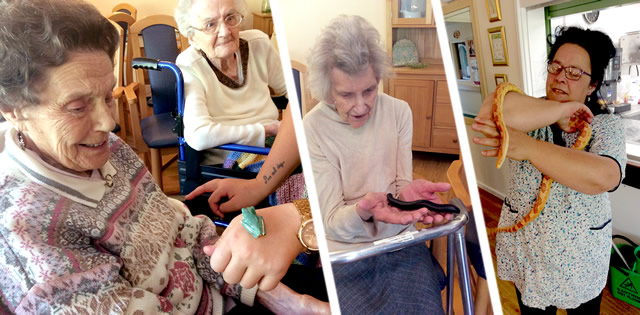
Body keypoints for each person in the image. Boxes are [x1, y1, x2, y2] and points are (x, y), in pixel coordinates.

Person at [0, 0, 328, 313]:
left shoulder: (108, 149)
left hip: (222, 287)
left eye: (108, 97)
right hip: (231, 177)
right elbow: (200, 135)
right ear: (12, 111)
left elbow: (184, 231)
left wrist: (288, 303)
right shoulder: (28, 232)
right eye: (77, 107)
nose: (109, 124)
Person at [303, 15, 453, 314]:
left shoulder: (399, 113)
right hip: (346, 249)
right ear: (327, 89)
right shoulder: (313, 128)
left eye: (369, 90)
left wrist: (407, 194)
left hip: (399, 238)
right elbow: (330, 219)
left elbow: (399, 187)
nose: (360, 106)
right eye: (346, 94)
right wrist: (363, 211)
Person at [472, 26, 626, 314]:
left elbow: (604, 176)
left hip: (580, 259)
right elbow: (490, 111)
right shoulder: (532, 111)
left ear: (592, 85)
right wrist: (559, 111)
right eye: (556, 67)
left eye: (575, 73)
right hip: (530, 253)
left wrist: (527, 147)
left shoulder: (605, 126)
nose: (560, 78)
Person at [174, 0, 285, 166]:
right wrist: (267, 129)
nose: (225, 32)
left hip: (275, 146)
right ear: (192, 37)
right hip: (230, 160)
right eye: (210, 24)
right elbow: (198, 135)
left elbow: (294, 91)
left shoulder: (259, 44)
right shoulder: (190, 64)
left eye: (230, 18)